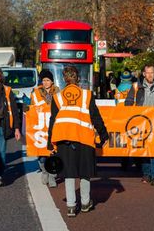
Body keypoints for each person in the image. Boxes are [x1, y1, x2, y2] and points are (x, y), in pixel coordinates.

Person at [47, 66, 109, 217]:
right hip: (84, 138)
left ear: (63, 79)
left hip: (64, 139)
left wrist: (50, 142)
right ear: (78, 78)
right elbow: (96, 117)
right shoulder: (87, 95)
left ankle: (70, 206)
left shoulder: (58, 97)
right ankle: (86, 203)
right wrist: (104, 135)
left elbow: (53, 120)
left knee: (68, 172)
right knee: (84, 171)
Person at [125, 64, 154, 187]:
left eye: (152, 73)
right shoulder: (135, 87)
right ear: (144, 74)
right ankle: (146, 174)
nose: (150, 75)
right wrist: (135, 111)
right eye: (148, 73)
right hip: (141, 123)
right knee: (144, 150)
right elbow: (128, 102)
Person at [30, 70, 59, 188]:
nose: (45, 83)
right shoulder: (36, 92)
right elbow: (31, 107)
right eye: (43, 80)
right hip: (40, 127)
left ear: (52, 81)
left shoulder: (58, 92)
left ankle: (52, 175)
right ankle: (44, 171)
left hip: (54, 126)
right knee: (42, 154)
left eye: (48, 80)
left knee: (54, 153)